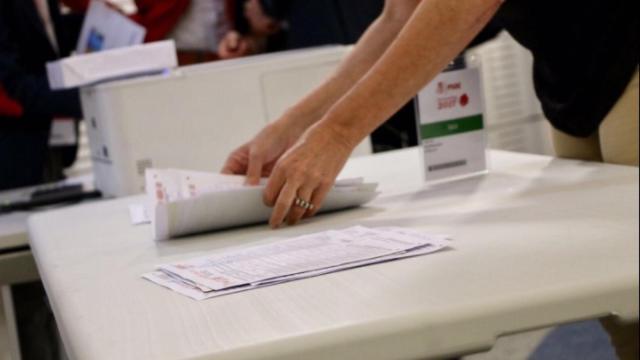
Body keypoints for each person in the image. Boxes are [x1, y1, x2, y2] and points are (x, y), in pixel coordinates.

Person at [221, 1, 638, 358]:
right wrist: (293, 128)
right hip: (573, 66)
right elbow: (400, 16)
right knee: (623, 312)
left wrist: (336, 133)